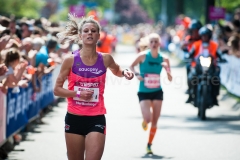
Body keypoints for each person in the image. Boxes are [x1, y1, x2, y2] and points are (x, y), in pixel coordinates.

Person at [54, 14, 134, 160]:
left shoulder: (105, 59)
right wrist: (78, 94)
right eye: (86, 31)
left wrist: (125, 72)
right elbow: (57, 89)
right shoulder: (70, 60)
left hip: (96, 118)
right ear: (80, 35)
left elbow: (117, 70)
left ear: (98, 36)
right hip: (74, 118)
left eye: (93, 30)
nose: (89, 33)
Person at [130, 33, 172, 154]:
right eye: (152, 42)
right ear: (149, 44)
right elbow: (131, 66)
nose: (154, 44)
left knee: (155, 121)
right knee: (148, 119)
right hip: (144, 92)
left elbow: (170, 78)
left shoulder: (164, 59)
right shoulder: (143, 56)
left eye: (156, 42)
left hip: (157, 91)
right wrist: (137, 75)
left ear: (159, 44)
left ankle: (149, 144)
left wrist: (167, 69)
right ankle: (144, 121)